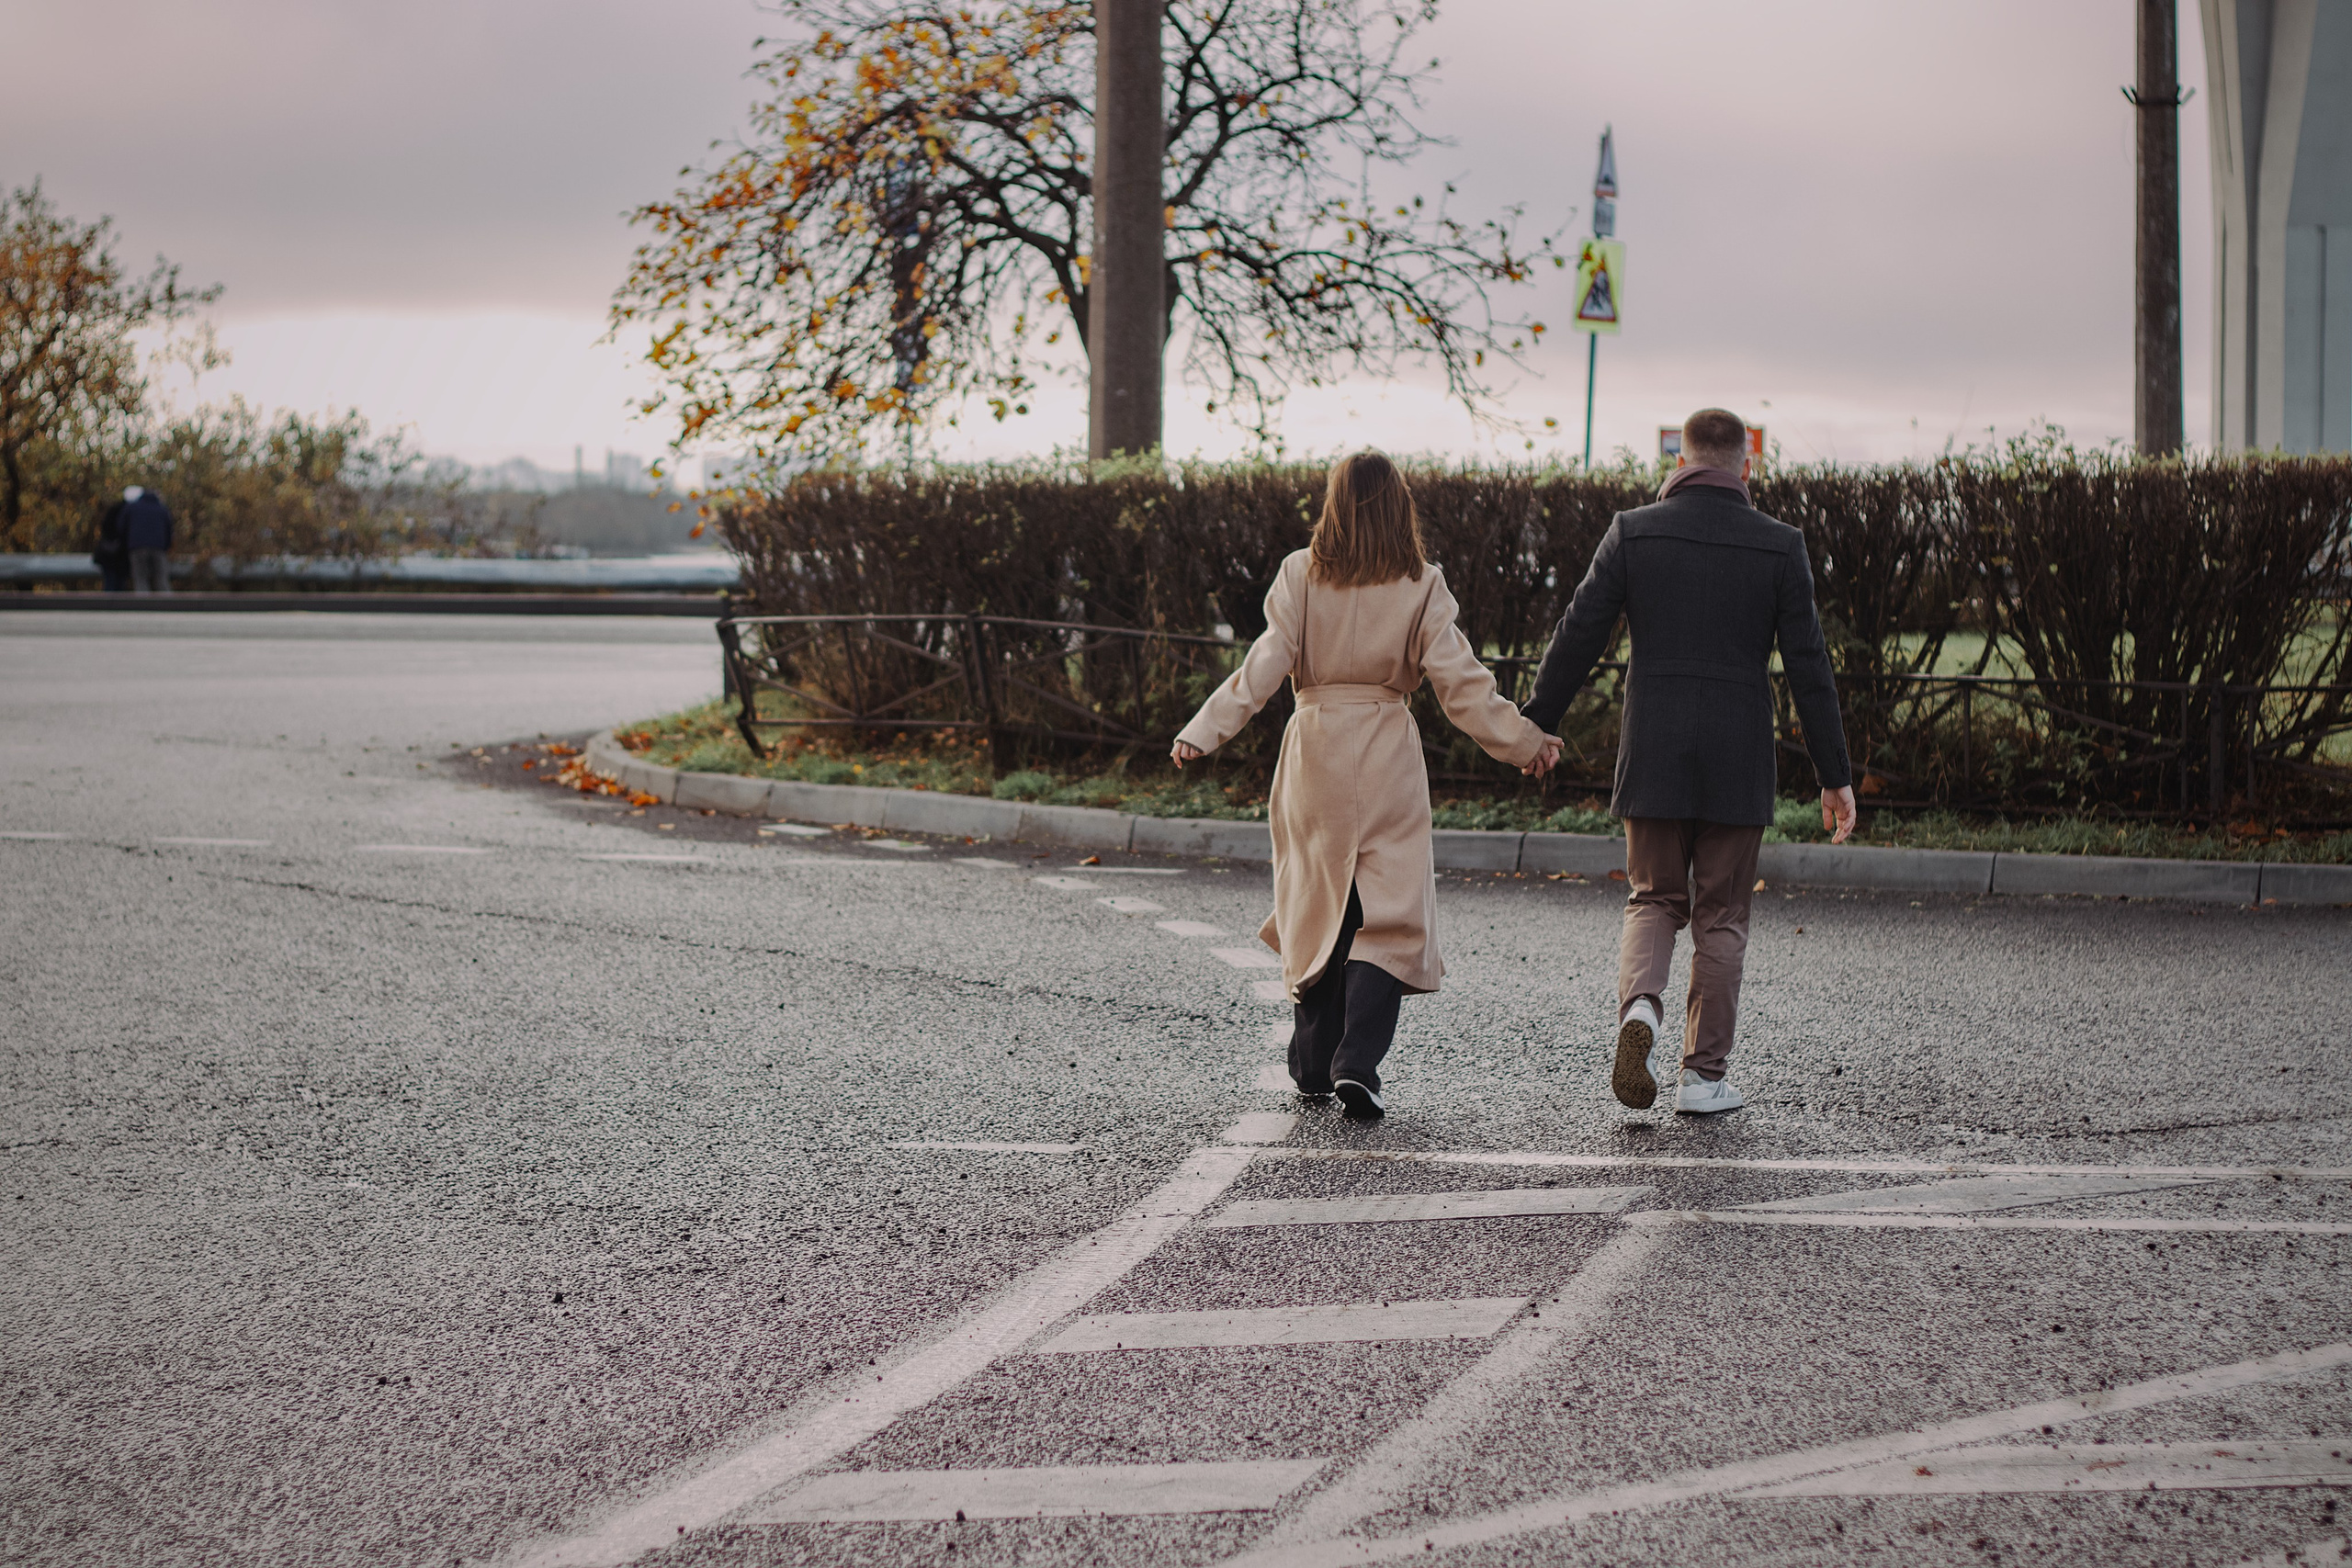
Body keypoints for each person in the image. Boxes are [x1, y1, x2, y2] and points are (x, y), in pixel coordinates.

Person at [1171, 450, 1563, 1120]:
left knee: (1319, 900)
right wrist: (1525, 741)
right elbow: (1462, 685)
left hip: (1315, 743)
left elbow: (1265, 664)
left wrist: (1205, 728)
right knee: (1389, 911)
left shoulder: (1301, 572)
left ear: (1333, 504)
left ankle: (1312, 1059)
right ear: (1399, 507)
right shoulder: (1422, 582)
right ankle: (1357, 1061)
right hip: (1386, 745)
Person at [1521, 408, 1855, 1116]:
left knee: (1653, 899)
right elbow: (1809, 665)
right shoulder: (1780, 544)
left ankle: (1641, 1008)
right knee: (1723, 916)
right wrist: (1835, 774)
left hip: (1655, 749)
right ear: (1744, 464)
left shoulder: (1632, 532)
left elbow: (1578, 631)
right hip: (1738, 755)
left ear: (1680, 454)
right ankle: (1702, 1078)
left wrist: (1537, 725)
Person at [119, 486, 174, 594]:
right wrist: (166, 546)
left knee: (140, 578)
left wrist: (127, 543)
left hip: (137, 547)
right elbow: (169, 530)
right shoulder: (162, 509)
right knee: (161, 578)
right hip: (158, 547)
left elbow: (121, 526)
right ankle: (168, 607)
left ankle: (143, 606)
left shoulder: (132, 507)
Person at [93, 493, 132, 592]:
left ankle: (108, 606)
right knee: (118, 585)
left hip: (109, 557)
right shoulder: (128, 513)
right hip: (118, 557)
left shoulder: (114, 510)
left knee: (110, 584)